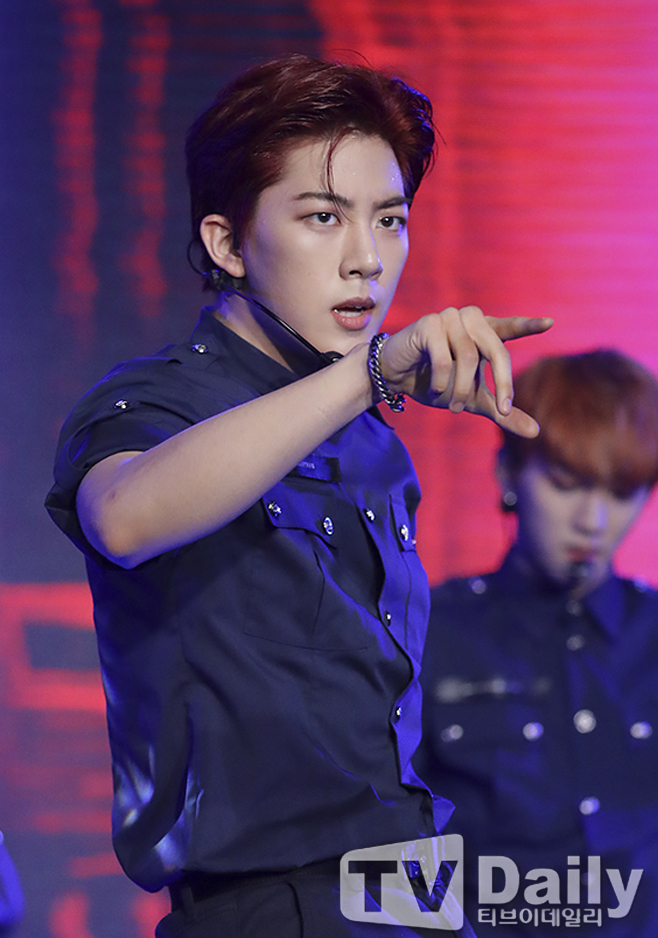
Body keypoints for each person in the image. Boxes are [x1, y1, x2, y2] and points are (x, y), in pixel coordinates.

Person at [46, 54, 550, 937]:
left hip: (409, 891)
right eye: (323, 217)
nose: (368, 260)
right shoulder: (156, 400)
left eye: (389, 220)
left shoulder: (370, 436)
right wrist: (369, 373)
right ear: (227, 243)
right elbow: (123, 517)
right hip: (269, 905)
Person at [416, 349, 658, 936]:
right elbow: (381, 854)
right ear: (508, 472)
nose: (592, 522)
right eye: (566, 484)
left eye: (621, 493)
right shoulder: (427, 630)